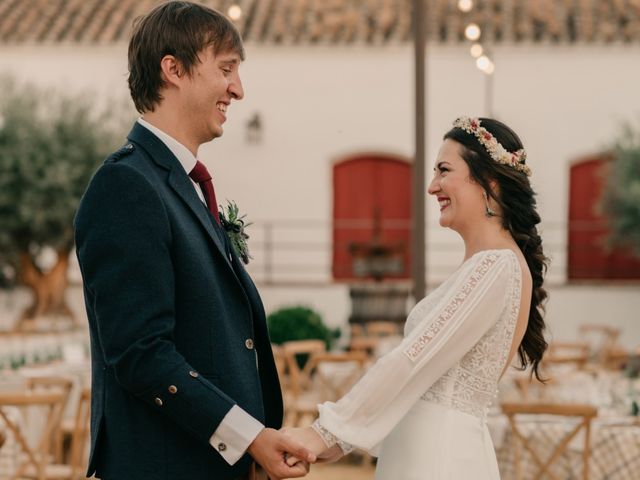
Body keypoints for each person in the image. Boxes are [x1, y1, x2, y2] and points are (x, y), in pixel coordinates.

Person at [74, 2, 315, 479]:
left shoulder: (177, 185)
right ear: (174, 70)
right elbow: (141, 353)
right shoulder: (126, 187)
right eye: (226, 69)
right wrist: (250, 437)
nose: (238, 89)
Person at [284, 117, 548, 479]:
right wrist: (339, 440)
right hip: (430, 449)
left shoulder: (495, 266)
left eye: (444, 170)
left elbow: (412, 360)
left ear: (488, 181)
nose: (431, 186)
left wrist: (324, 432)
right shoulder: (490, 265)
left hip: (439, 457)